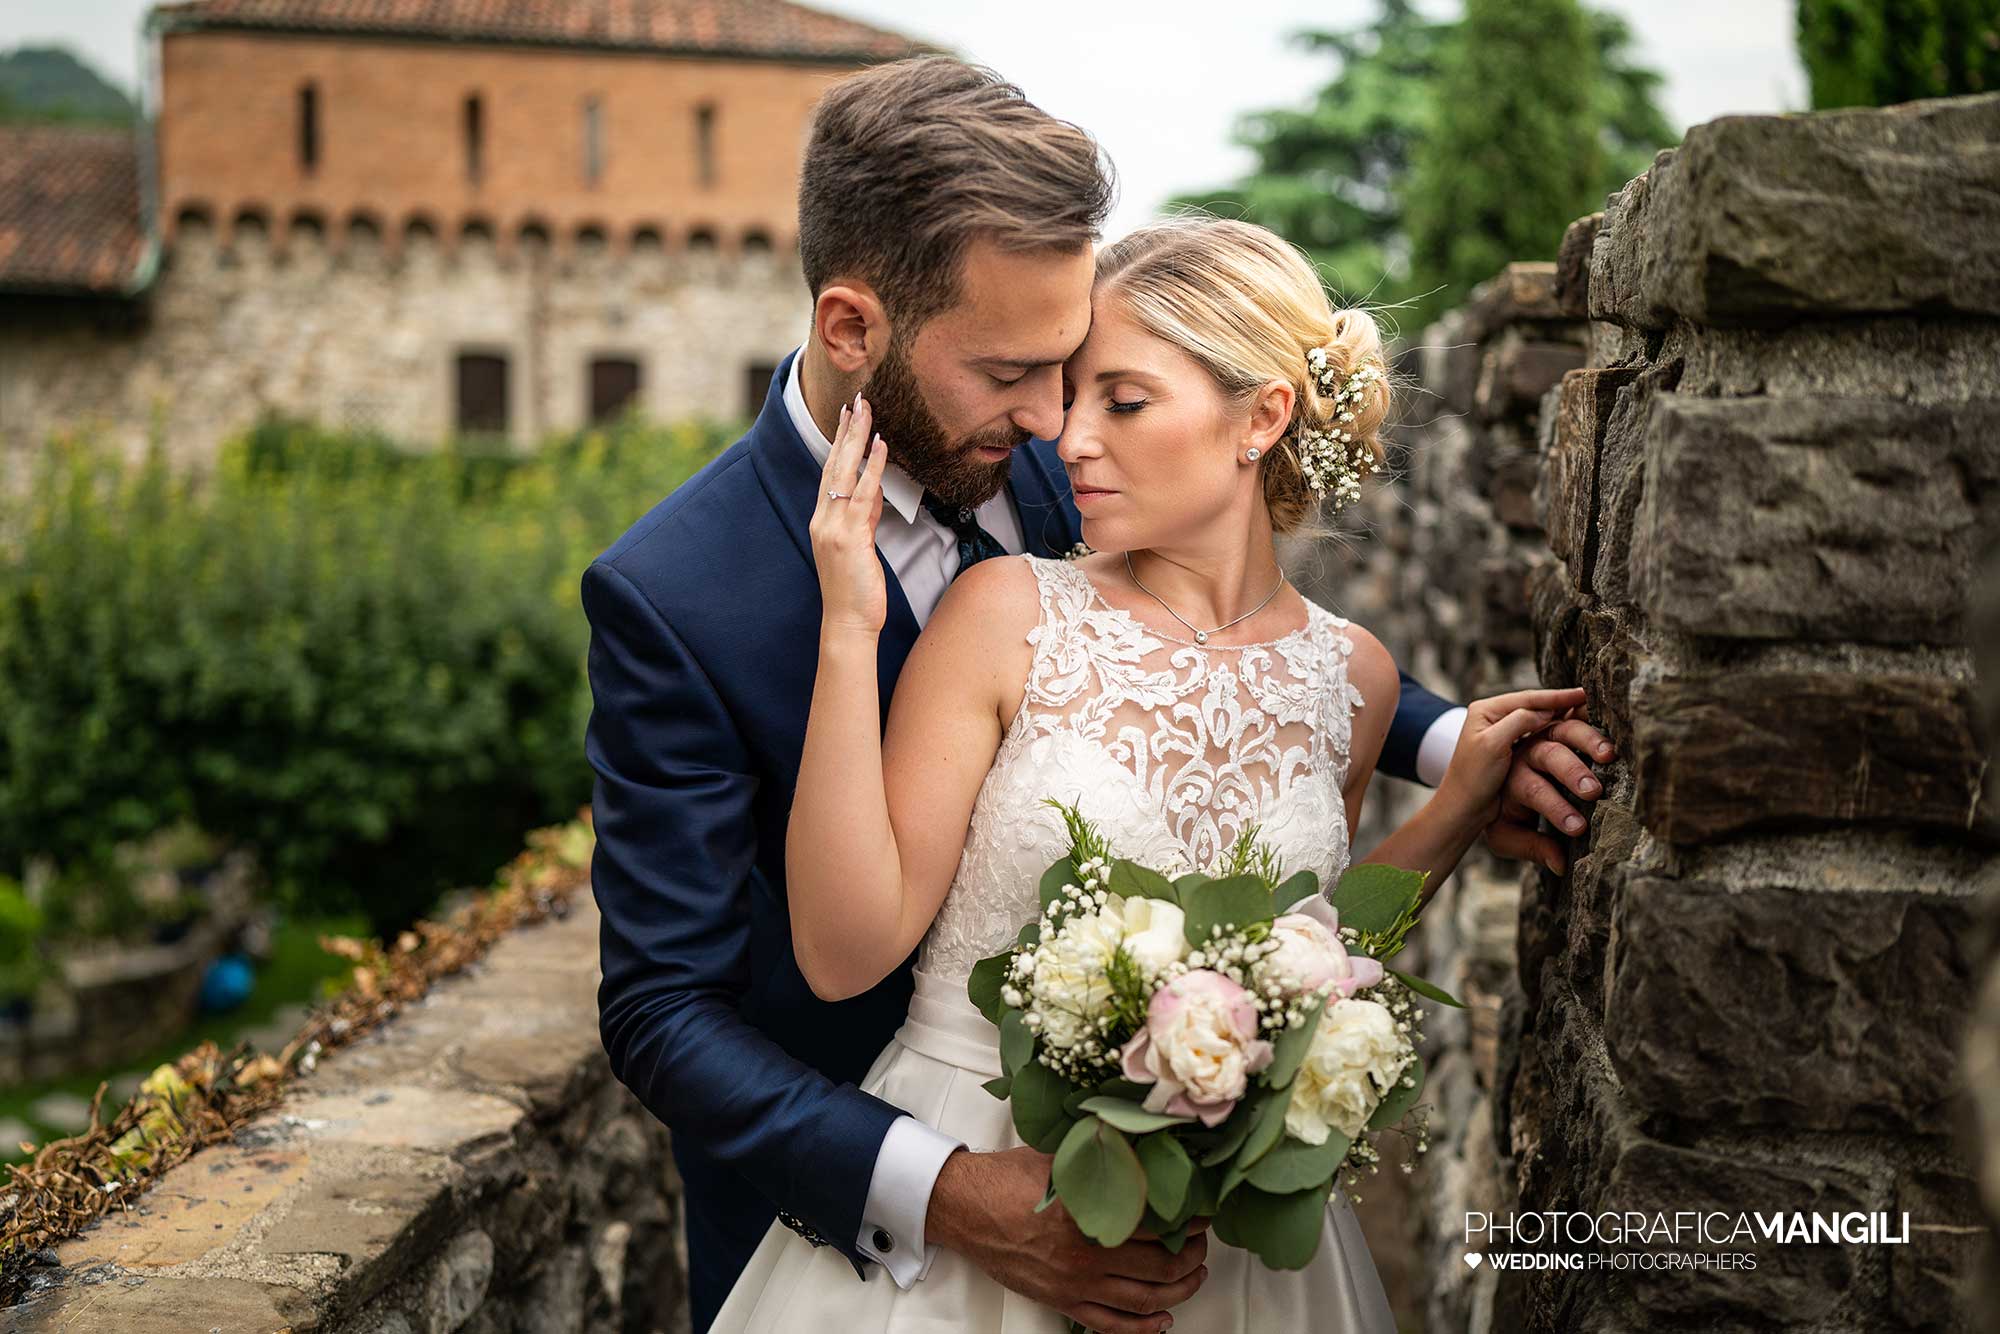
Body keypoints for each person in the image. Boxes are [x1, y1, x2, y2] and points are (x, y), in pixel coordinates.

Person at [582, 57, 1615, 1334]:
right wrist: (952, 1192)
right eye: (1014, 371)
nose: (1053, 420)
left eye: (1079, 371)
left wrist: (1452, 745)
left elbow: (1216, 654)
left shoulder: (1075, 451)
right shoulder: (673, 593)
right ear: (852, 330)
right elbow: (661, 1010)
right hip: (873, 1231)